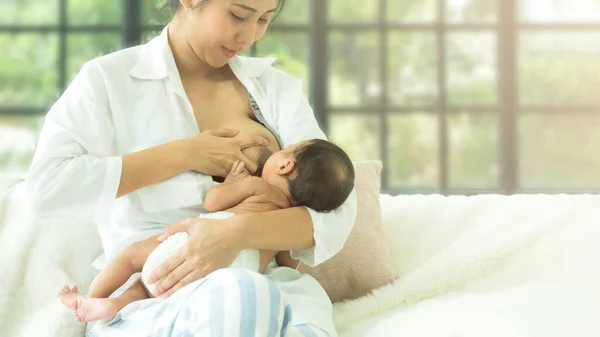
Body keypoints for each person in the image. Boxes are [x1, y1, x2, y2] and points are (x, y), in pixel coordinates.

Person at [27, 0, 357, 336]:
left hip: (265, 279)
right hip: (155, 289)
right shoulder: (108, 81)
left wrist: (232, 235)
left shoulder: (275, 89)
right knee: (243, 294)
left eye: (264, 20)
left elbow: (337, 210)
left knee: (285, 304)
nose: (250, 36)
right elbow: (47, 187)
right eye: (239, 15)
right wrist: (187, 152)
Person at [56, 139, 355, 323]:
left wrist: (231, 184)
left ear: (285, 165)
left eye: (284, 150)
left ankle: (96, 298)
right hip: (242, 270)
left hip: (205, 239)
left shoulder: (256, 185)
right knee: (160, 291)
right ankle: (116, 305)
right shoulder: (286, 223)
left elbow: (212, 203)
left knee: (135, 260)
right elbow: (289, 261)